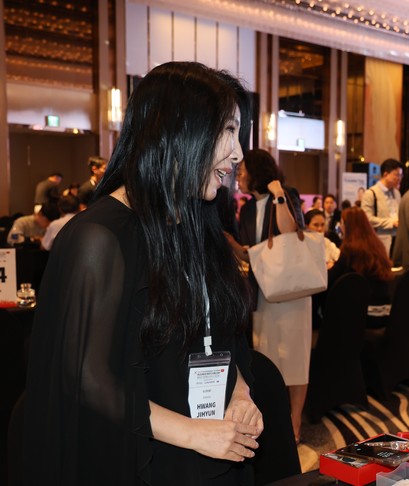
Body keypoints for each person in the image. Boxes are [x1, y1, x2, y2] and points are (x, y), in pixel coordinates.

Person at [24, 61, 262, 485]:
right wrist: (194, 434)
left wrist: (239, 393)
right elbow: (88, 381)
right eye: (228, 130)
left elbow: (222, 335)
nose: (239, 153)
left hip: (215, 451)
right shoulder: (100, 237)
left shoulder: (195, 223)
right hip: (146, 463)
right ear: (178, 130)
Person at [236, 148, 309, 444]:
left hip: (292, 291)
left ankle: (295, 421)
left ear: (256, 172)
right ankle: (275, 415)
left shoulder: (287, 195)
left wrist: (278, 194)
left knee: (296, 358)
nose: (238, 176)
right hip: (263, 291)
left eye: (242, 171)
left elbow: (291, 232)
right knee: (268, 354)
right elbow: (250, 252)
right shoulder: (246, 209)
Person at [328, 207, 394, 329]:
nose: (340, 226)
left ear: (347, 226)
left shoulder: (350, 249)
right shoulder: (377, 246)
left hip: (364, 316)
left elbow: (329, 279)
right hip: (385, 313)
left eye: (341, 223)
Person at [361, 158, 403, 256]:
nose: (399, 178)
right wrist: (391, 222)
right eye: (397, 175)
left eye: (401, 175)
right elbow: (367, 219)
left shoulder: (397, 193)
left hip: (397, 240)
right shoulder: (371, 193)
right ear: (385, 174)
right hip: (379, 241)